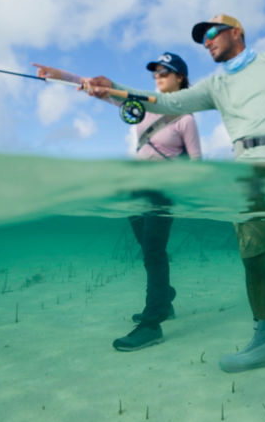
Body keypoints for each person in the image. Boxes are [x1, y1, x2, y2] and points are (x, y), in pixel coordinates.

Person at [84, 14, 265, 417]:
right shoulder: (215, 85)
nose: (205, 42)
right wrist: (113, 91)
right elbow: (165, 102)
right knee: (253, 260)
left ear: (236, 32)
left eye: (210, 33)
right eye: (201, 38)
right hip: (245, 174)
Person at [33, 53, 201, 351]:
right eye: (156, 72)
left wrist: (187, 193)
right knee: (147, 249)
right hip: (136, 190)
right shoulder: (143, 104)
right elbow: (99, 89)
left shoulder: (185, 119)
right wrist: (58, 74)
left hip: (163, 193)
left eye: (166, 71)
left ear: (181, 78)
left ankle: (152, 323)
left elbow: (197, 164)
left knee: (153, 251)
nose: (158, 75)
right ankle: (165, 297)